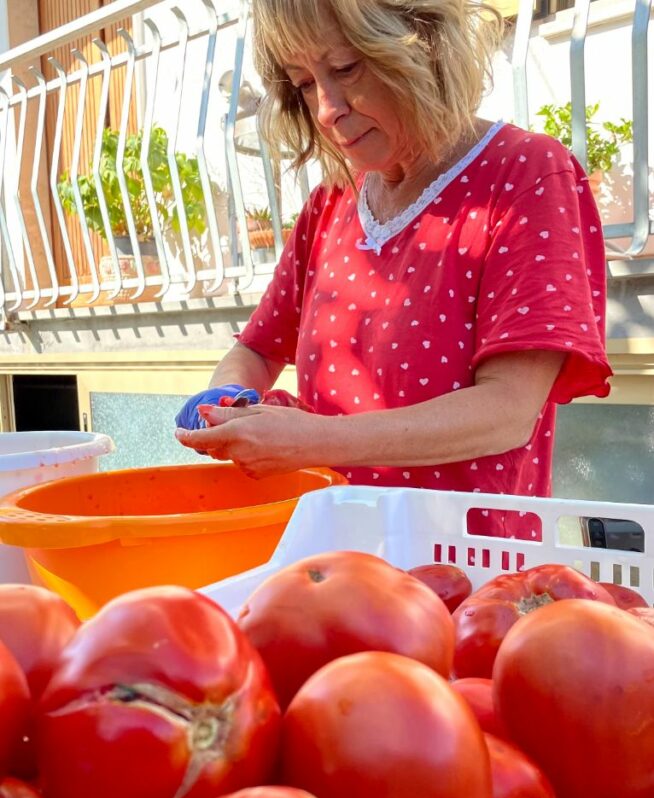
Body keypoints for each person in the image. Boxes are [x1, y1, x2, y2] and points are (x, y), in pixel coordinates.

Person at [175, 0, 611, 536]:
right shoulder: (332, 201)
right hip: (335, 558)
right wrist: (226, 400)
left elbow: (508, 410)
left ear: (422, 42)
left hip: (465, 570)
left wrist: (308, 440)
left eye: (345, 69)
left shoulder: (524, 175)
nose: (326, 110)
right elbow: (258, 348)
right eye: (305, 83)